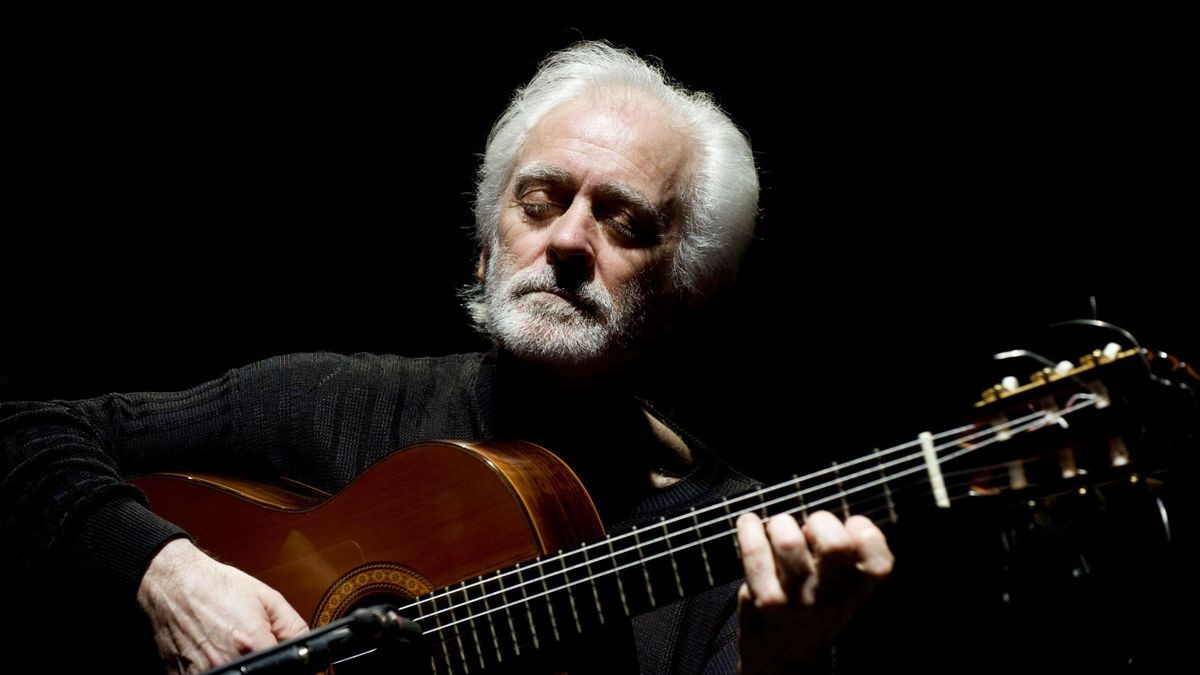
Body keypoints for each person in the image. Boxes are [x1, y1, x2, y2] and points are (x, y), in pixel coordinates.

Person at [0, 41, 892, 674]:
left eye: (622, 220)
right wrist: (168, 573)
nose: (569, 240)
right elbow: (25, 431)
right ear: (484, 245)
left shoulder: (740, 541)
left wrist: (779, 666)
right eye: (540, 201)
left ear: (686, 297)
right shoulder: (337, 401)